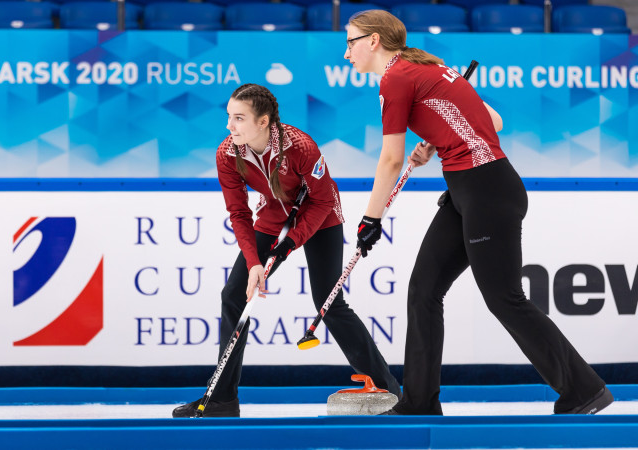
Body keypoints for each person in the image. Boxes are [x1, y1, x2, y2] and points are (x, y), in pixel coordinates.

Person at [344, 9, 613, 415]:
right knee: (423, 291)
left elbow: (390, 161)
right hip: (469, 190)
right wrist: (437, 138)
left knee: (504, 298)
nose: (346, 52)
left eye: (350, 41)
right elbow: (494, 121)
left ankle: (584, 389)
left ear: (373, 41)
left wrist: (371, 219)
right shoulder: (428, 66)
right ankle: (419, 402)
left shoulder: (397, 78)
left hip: (486, 189)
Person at [172, 83, 401, 418]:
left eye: (238, 118)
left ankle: (389, 391)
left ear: (263, 121)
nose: (229, 126)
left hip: (321, 217)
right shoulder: (227, 153)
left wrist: (290, 244)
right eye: (229, 117)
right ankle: (221, 400)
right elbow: (238, 213)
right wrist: (254, 263)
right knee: (235, 294)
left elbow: (322, 200)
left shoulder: (300, 146)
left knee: (328, 302)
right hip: (272, 216)